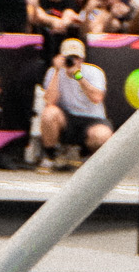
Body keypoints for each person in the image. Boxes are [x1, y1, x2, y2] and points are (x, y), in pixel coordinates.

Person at [36, 36, 110, 171]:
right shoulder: (53, 72)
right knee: (49, 113)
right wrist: (58, 71)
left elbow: (97, 97)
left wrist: (78, 76)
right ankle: (50, 155)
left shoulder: (94, 72)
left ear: (82, 59)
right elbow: (49, 101)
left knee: (102, 135)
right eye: (70, 58)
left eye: (77, 58)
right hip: (68, 118)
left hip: (92, 119)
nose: (73, 61)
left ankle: (87, 155)